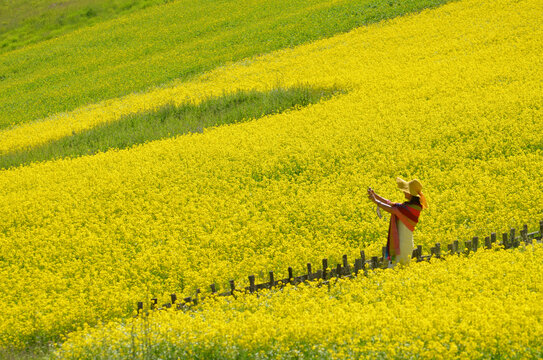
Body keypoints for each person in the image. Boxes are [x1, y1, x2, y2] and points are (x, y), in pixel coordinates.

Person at [367, 178, 428, 267]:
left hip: (402, 245)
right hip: (401, 243)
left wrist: (375, 201)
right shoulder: (407, 206)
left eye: (406, 190)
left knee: (396, 268)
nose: (404, 192)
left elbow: (393, 210)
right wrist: (375, 195)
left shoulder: (413, 208)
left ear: (411, 194)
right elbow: (391, 204)